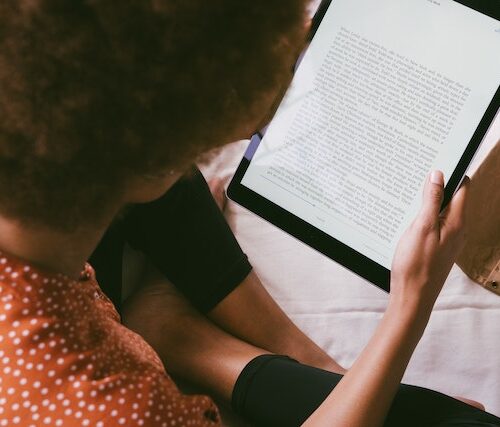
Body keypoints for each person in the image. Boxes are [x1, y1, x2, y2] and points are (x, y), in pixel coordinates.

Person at [0, 1, 499, 426]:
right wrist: (410, 303)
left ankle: (293, 359)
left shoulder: (49, 134)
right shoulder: (123, 405)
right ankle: (188, 340)